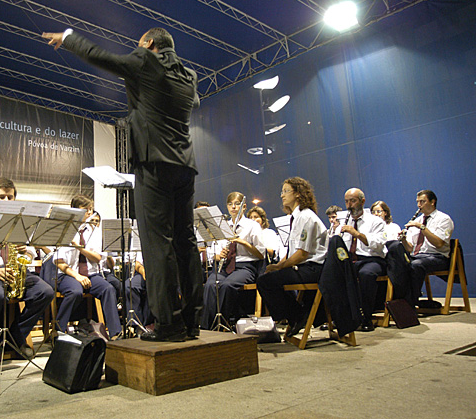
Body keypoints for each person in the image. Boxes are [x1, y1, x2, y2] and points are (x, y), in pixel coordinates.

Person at [43, 27, 203, 342]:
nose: (135, 49)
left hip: (154, 163)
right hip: (184, 165)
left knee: (158, 245)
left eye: (138, 44)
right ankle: (192, 320)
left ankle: (169, 325)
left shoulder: (146, 60)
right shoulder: (189, 74)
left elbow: (101, 57)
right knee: (185, 243)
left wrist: (69, 37)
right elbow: (193, 102)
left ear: (150, 44)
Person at [0, 178, 54, 372]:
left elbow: (33, 252)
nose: (6, 200)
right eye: (2, 196)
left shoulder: (21, 221)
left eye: (10, 196)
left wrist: (27, 251)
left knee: (45, 291)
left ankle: (15, 337)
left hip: (15, 269)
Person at [256, 177, 327, 339]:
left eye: (286, 191)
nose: (282, 195)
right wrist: (279, 265)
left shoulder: (306, 217)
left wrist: (280, 267)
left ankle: (296, 315)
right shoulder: (295, 218)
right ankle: (296, 314)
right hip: (304, 267)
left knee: (266, 282)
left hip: (314, 269)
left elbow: (303, 253)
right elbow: (291, 251)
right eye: (282, 192)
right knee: (267, 277)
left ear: (298, 194)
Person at [53, 195, 122, 338]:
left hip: (91, 274)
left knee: (108, 288)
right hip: (69, 274)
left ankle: (115, 333)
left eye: (90, 209)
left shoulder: (94, 232)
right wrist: (77, 276)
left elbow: (97, 257)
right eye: (86, 210)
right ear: (75, 210)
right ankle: (58, 330)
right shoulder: (65, 229)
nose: (90, 213)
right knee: (75, 291)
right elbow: (59, 261)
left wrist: (79, 248)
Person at [201, 192, 266, 329]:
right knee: (210, 285)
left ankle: (224, 323)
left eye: (237, 204)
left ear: (244, 207)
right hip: (225, 266)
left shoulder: (252, 225)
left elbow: (261, 254)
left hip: (245, 266)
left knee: (227, 285)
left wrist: (241, 242)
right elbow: (215, 253)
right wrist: (219, 255)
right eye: (230, 204)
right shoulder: (223, 226)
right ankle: (208, 326)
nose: (233, 207)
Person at [337, 188, 387, 332]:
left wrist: (356, 234)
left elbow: (378, 244)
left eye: (353, 201)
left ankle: (366, 317)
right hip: (350, 261)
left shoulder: (375, 221)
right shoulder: (343, 222)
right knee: (332, 274)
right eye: (347, 201)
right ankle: (340, 317)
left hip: (372, 260)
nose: (349, 205)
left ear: (362, 201)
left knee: (366, 274)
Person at [399, 190, 453, 304]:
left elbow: (439, 244)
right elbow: (410, 248)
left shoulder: (444, 219)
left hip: (438, 257)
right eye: (418, 202)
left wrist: (422, 228)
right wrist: (403, 239)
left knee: (416, 265)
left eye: (422, 202)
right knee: (398, 264)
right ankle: (401, 300)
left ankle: (410, 303)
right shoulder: (416, 220)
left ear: (432, 202)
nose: (419, 205)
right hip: (418, 256)